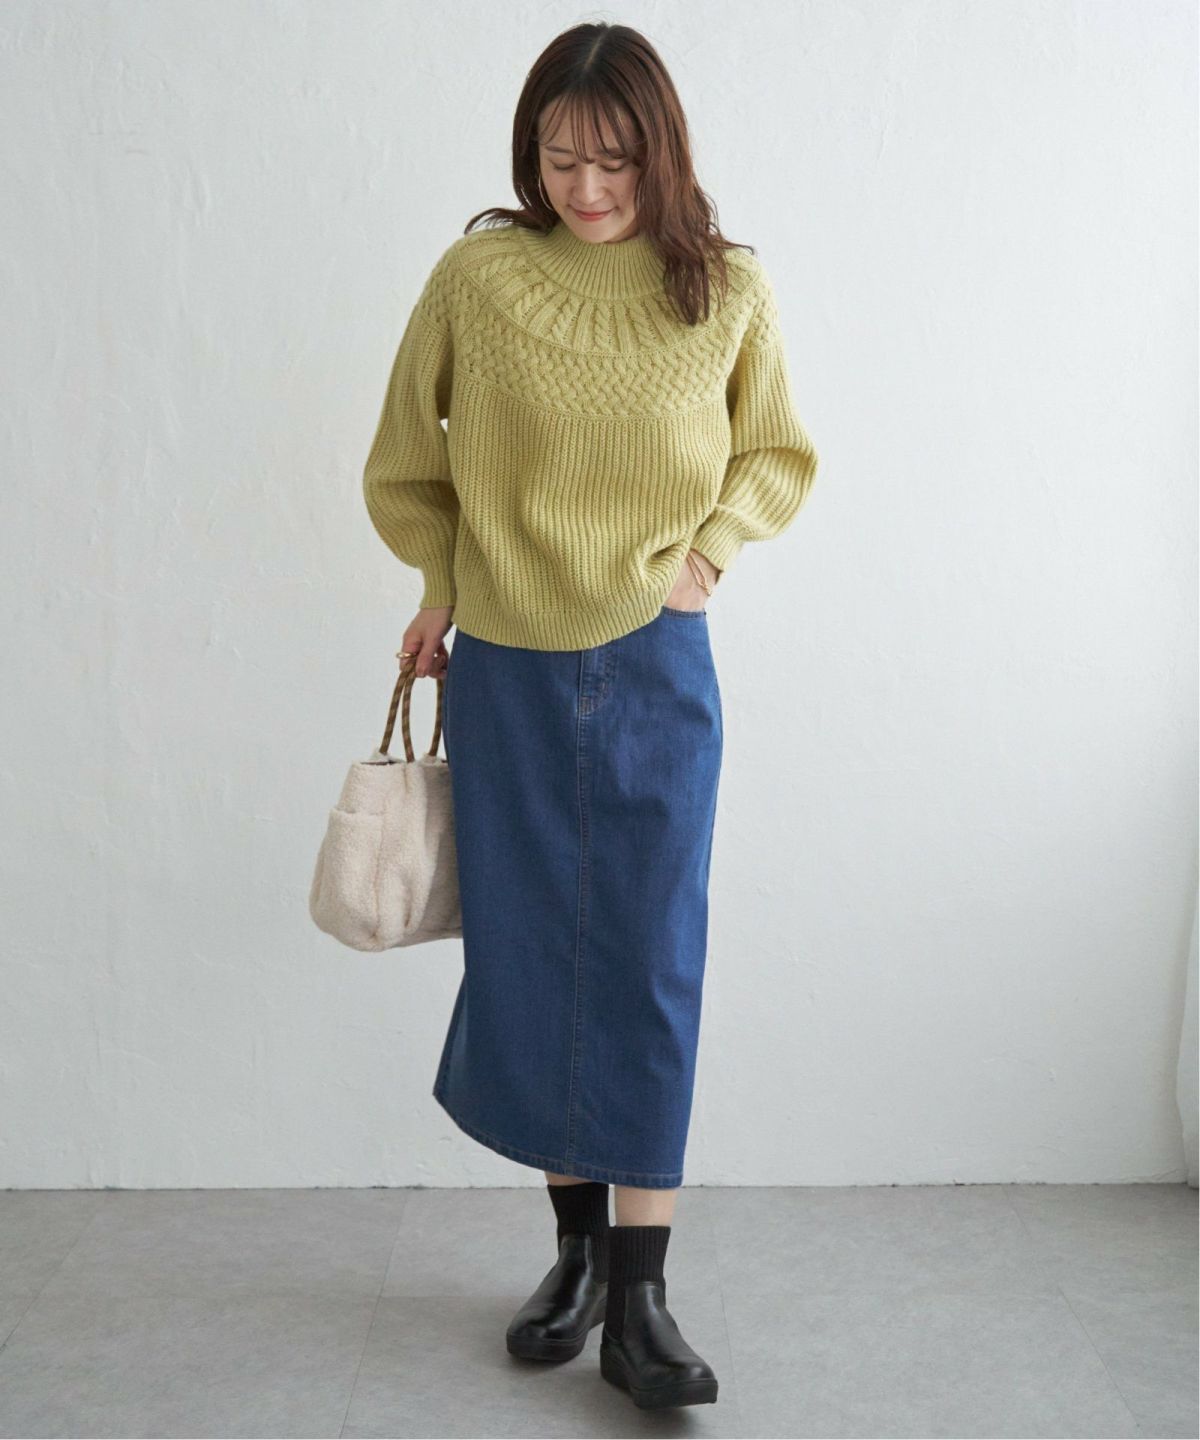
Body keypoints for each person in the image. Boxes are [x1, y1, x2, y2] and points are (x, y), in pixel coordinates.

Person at [360, 20, 818, 1412]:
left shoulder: (725, 289)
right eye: (561, 159)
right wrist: (439, 589)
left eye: (613, 159)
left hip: (657, 667)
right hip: (505, 664)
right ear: (532, 155)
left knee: (649, 957)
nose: (588, 186)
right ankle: (570, 1261)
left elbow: (776, 453)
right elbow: (407, 462)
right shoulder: (479, 279)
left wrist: (707, 559)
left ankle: (642, 1294)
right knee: (530, 950)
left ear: (658, 152)